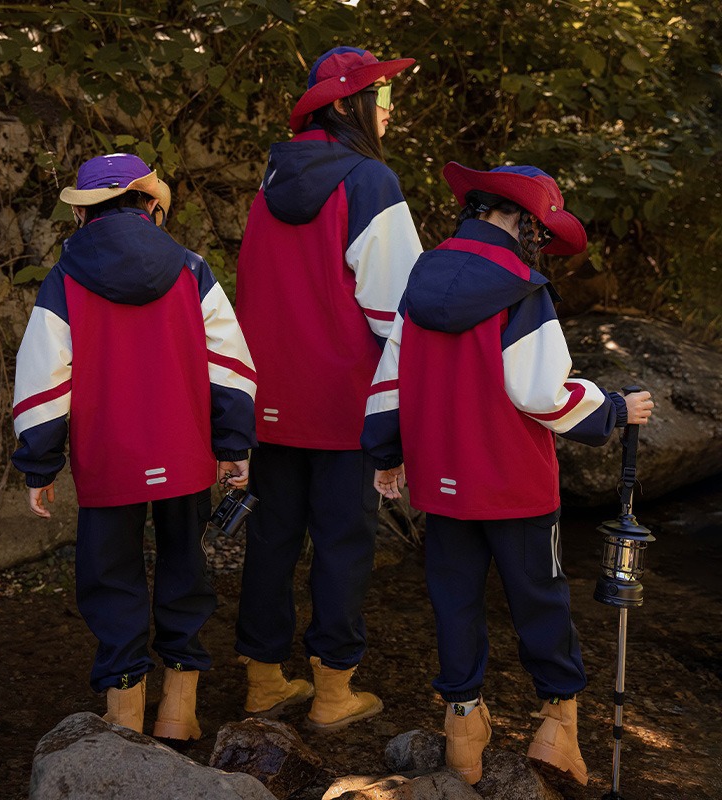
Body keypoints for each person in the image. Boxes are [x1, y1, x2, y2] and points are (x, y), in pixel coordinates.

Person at [361, 163, 654, 783]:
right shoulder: (521, 288)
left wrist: (387, 453)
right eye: (539, 231)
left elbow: (391, 375)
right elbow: (540, 393)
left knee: (455, 603)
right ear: (519, 219)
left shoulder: (422, 277)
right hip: (514, 483)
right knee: (540, 600)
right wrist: (613, 409)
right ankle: (557, 729)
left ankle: (462, 737)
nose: (539, 243)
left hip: (442, 480)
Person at [11, 153, 257, 739]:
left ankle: (123, 715)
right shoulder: (192, 269)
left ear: (84, 213)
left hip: (108, 458)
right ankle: (178, 711)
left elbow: (45, 379)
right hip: (185, 450)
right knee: (186, 567)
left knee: (110, 575)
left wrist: (40, 463)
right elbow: (228, 364)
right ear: (150, 205)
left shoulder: (64, 278)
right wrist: (233, 442)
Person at [233, 46, 423, 729]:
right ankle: (334, 692)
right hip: (347, 402)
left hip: (269, 398)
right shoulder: (371, 181)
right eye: (381, 97)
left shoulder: (270, 180)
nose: (389, 111)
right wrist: (404, 412)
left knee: (271, 538)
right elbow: (399, 308)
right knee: (343, 543)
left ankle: (263, 681)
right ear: (347, 104)